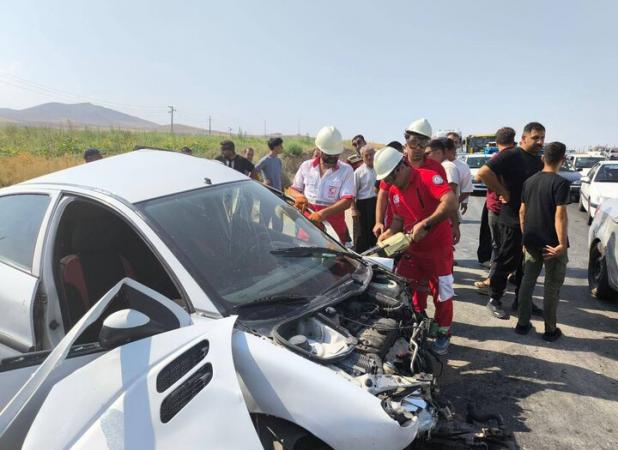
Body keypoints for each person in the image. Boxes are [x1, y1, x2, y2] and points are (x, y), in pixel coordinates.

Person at [374, 146, 458, 354]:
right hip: (413, 250)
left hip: (438, 250)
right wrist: (389, 234)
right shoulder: (394, 191)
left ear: (399, 168)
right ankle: (417, 323)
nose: (388, 184)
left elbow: (450, 202)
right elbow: (398, 219)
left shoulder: (427, 177)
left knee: (442, 294)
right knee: (402, 287)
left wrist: (427, 224)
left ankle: (443, 333)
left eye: (390, 178)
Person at [477, 122, 545, 319]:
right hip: (511, 218)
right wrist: (502, 191)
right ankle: (495, 299)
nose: (540, 141)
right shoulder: (511, 155)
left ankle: (522, 299)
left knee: (527, 263)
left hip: (531, 220)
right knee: (507, 261)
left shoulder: (537, 160)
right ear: (523, 139)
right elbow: (483, 173)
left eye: (542, 137)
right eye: (536, 137)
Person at [516, 142, 570, 341]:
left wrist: (524, 237)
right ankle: (550, 330)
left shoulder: (529, 181)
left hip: (531, 240)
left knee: (527, 282)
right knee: (551, 287)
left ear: (542, 158)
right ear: (562, 160)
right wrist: (562, 245)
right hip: (552, 244)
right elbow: (560, 215)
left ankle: (522, 324)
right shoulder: (561, 183)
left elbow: (522, 211)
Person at [373, 119, 452, 238]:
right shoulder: (392, 176)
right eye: (414, 143)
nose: (418, 148)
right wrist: (382, 225)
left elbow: (450, 200)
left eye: (423, 144)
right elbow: (388, 203)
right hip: (408, 240)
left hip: (434, 239)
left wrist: (429, 224)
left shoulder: (432, 172)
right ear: (406, 143)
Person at [290, 126, 355, 243]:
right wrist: (298, 196)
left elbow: (347, 201)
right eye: (329, 155)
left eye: (336, 155)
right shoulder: (306, 166)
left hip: (333, 230)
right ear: (319, 150)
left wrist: (323, 214)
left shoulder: (346, 170)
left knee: (332, 259)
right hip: (306, 225)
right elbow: (293, 189)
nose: (333, 158)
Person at [475, 127, 516, 294]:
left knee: (498, 247)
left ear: (497, 142)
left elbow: (480, 175)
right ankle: (500, 277)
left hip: (498, 208)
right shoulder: (518, 157)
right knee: (504, 246)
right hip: (510, 207)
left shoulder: (498, 157)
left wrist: (500, 191)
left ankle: (493, 282)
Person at [352, 145, 377, 252]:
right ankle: (363, 254)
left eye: (371, 154)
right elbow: (352, 193)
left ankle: (376, 251)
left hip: (377, 202)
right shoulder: (358, 172)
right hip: (363, 204)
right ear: (362, 157)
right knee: (362, 232)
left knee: (376, 228)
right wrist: (353, 209)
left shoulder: (379, 168)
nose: (369, 157)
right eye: (366, 155)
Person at [446, 137, 473, 215]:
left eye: (455, 142)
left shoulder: (463, 166)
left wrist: (459, 202)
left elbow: (466, 189)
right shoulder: (435, 164)